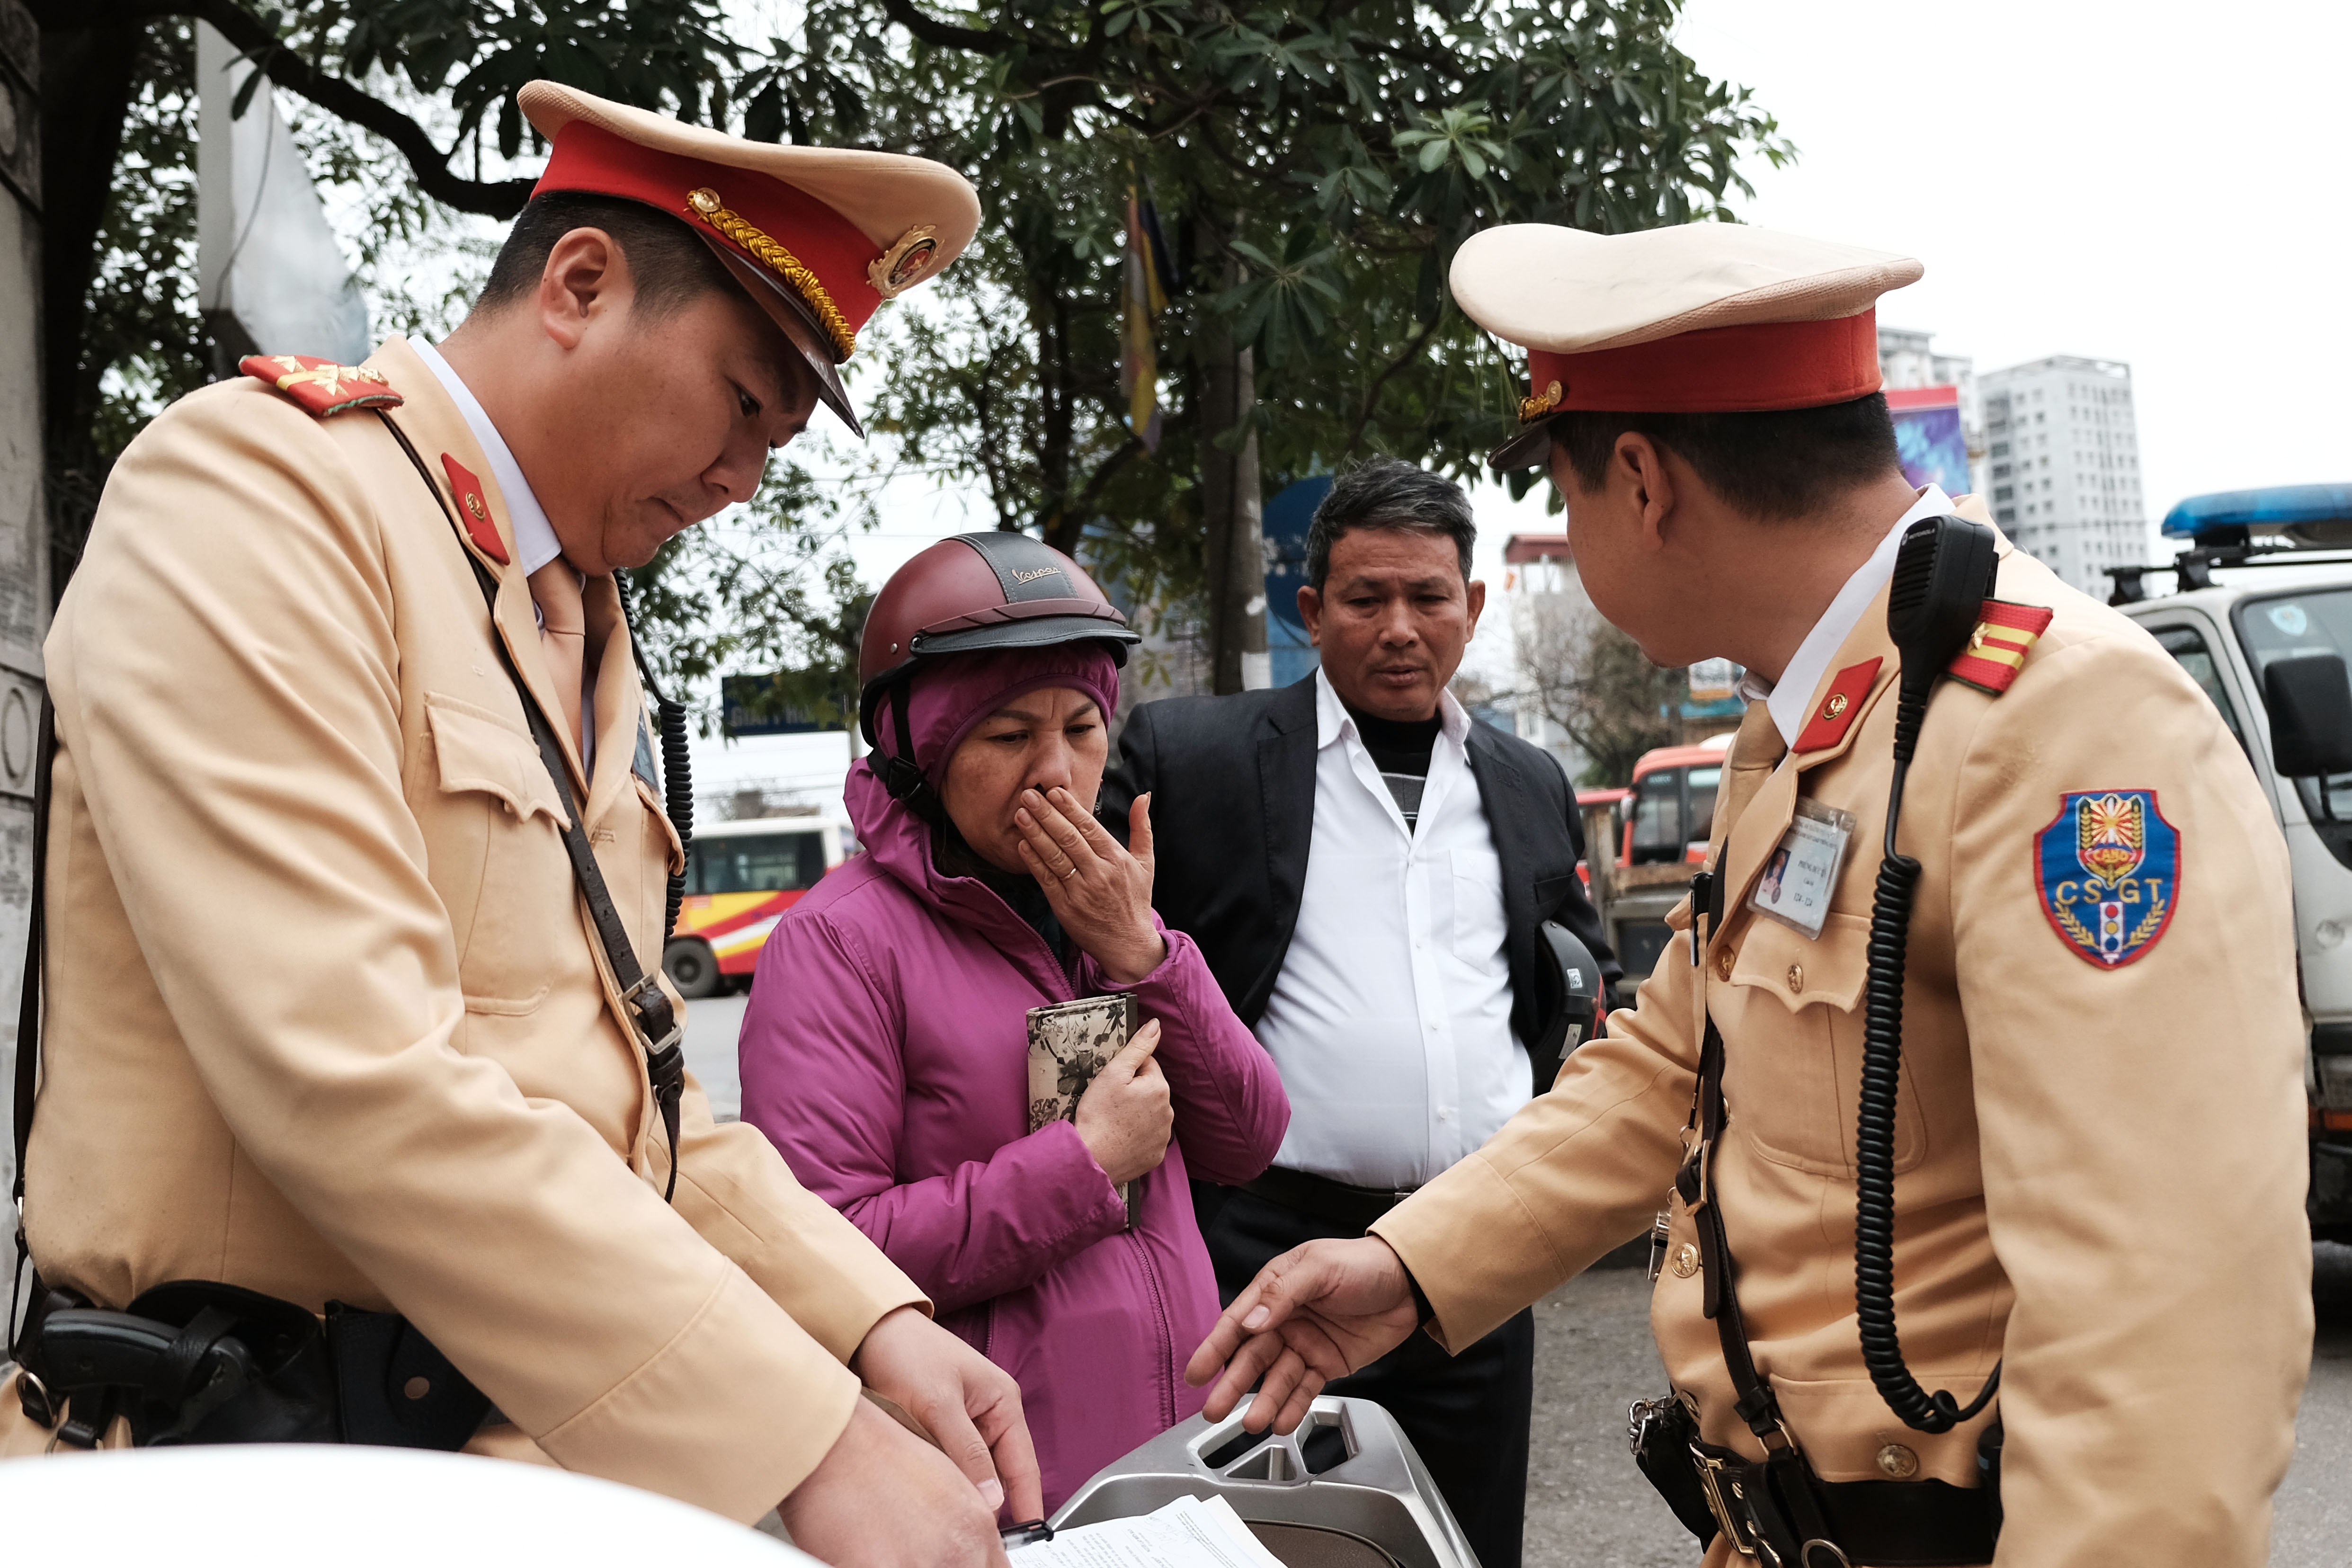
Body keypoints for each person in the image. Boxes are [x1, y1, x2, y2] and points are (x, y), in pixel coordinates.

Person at [3, 80, 1043, 1568]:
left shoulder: (560, 613)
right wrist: (805, 1435)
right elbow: (351, 1072)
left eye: (782, 442)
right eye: (744, 401)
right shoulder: (264, 496)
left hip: (482, 1479)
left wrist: (866, 1317)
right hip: (239, 1479)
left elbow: (628, 1094)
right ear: (580, 284)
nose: (746, 480)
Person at [1186, 223, 2312, 1567]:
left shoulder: (2059, 728)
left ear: (1648, 484)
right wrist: (1414, 1265)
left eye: (1566, 479)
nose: (1571, 517)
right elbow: (1671, 1065)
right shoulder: (1818, 729)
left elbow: (2166, 1330)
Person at [1097, 460, 1620, 1568]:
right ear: (1311, 612)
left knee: (1469, 1548)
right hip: (1264, 1258)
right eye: (1364, 598)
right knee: (1259, 1550)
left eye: (1428, 597)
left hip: (1468, 1266)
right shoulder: (1197, 762)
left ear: (1472, 608)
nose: (1399, 628)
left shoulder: (1528, 780)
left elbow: (1575, 963)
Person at [739, 534, 1289, 1514]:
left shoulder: (1104, 911)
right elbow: (823, 1248)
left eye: (1083, 729)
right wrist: (1084, 1166)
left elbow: (1248, 1139)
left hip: (1178, 1456)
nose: (1056, 772)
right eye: (1007, 737)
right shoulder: (840, 944)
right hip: (997, 1480)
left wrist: (1146, 957)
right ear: (921, 755)